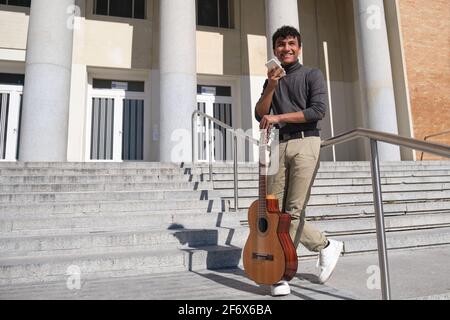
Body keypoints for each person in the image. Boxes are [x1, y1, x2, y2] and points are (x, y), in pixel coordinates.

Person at [255, 25, 343, 296]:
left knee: (292, 209)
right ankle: (325, 245)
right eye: (281, 44)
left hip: (307, 142)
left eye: (291, 43)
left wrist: (279, 118)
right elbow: (260, 114)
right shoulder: (272, 79)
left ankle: (280, 274)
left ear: (299, 47)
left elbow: (317, 111)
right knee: (274, 211)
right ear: (274, 50)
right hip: (279, 145)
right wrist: (271, 86)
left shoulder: (312, 74)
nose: (286, 48)